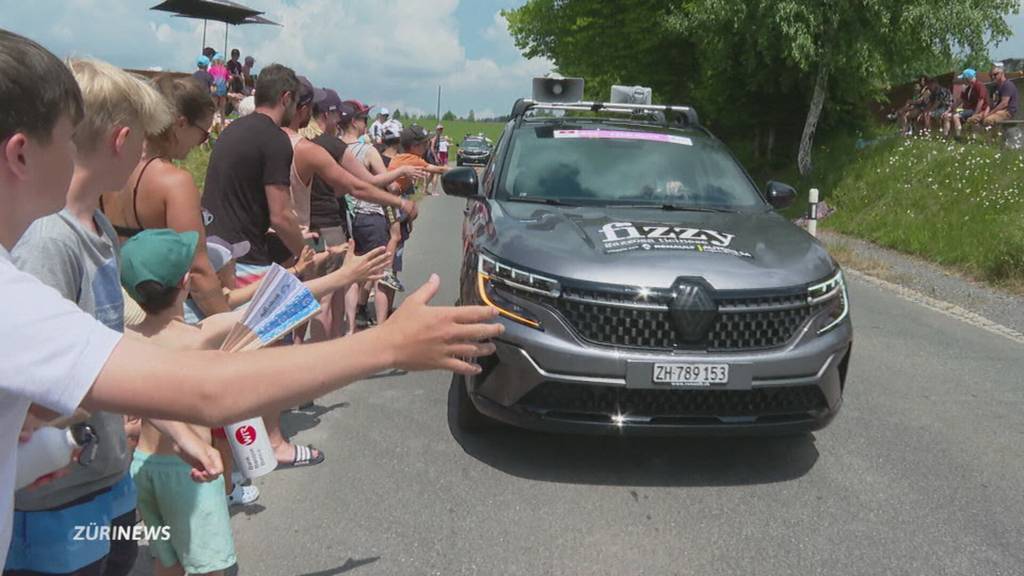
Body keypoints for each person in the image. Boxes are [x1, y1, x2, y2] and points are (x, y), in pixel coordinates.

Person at [0, 29, 500, 568]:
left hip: (101, 487)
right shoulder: (34, 264)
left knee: (136, 554)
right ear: (22, 154)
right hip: (56, 520)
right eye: (67, 137)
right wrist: (388, 345)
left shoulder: (86, 228)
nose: (79, 152)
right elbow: (205, 388)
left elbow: (126, 364)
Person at [6, 58, 215, 576]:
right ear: (123, 140)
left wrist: (181, 434)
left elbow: (112, 346)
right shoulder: (49, 240)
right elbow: (34, 385)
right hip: (56, 499)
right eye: (144, 139)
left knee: (121, 559)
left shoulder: (99, 224)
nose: (148, 151)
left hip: (109, 483)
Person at [122, 228, 389, 576]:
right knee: (210, 564)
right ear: (186, 282)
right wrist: (344, 275)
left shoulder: (127, 338)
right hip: (189, 474)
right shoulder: (196, 335)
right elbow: (282, 302)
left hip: (143, 467)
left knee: (165, 559)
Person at [99, 75, 229, 322]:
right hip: (161, 315)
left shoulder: (112, 167)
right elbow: (198, 271)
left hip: (116, 304)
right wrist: (234, 330)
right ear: (181, 124)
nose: (201, 144)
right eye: (203, 136)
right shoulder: (174, 182)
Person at [943, 68, 989, 138]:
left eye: (964, 78)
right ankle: (945, 136)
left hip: (974, 110)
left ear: (969, 78)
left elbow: (981, 101)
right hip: (968, 110)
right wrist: (949, 110)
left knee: (956, 116)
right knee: (947, 116)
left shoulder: (979, 86)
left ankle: (958, 137)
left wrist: (975, 114)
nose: (963, 80)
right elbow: (959, 101)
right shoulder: (968, 88)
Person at [972, 64, 1018, 129]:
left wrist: (989, 113)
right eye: (991, 75)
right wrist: (986, 113)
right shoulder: (994, 87)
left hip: (1007, 111)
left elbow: (1004, 103)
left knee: (987, 120)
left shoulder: (1007, 85)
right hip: (995, 110)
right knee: (972, 119)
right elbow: (990, 103)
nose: (993, 77)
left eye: (995, 74)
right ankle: (975, 137)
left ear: (1002, 73)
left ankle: (990, 138)